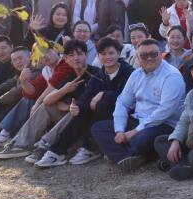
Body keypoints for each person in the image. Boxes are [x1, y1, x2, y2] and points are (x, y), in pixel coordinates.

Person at [36, 37, 134, 168]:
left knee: (102, 103)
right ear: (98, 56)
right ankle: (57, 152)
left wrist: (104, 94)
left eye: (111, 53)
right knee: (81, 111)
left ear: (118, 53)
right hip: (106, 119)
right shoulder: (98, 77)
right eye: (103, 54)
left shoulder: (130, 72)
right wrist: (77, 107)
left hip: (127, 118)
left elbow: (130, 98)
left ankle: (91, 147)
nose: (107, 57)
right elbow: (86, 98)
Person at [91, 39, 185, 172]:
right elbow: (123, 102)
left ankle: (127, 152)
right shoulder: (136, 75)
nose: (149, 58)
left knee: (139, 139)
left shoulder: (171, 76)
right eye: (144, 55)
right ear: (137, 57)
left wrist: (133, 132)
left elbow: (165, 111)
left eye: (153, 54)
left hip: (163, 124)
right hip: (139, 119)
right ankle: (127, 157)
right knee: (98, 128)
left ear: (161, 54)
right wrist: (119, 130)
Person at [0, 39, 93, 161]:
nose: (45, 56)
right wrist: (24, 82)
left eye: (48, 51)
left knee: (71, 109)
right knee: (41, 104)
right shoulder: (47, 70)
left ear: (57, 51)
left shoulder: (67, 67)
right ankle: (19, 143)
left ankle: (44, 144)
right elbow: (33, 92)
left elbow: (53, 86)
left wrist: (42, 102)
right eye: (40, 54)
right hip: (68, 111)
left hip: (84, 117)